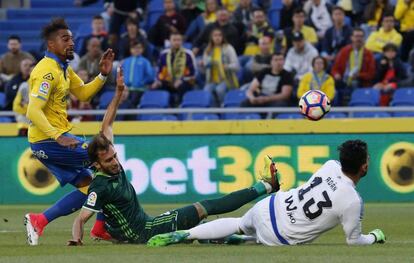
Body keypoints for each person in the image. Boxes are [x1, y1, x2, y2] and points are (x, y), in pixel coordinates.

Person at [66, 72, 280, 244]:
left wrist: (119, 92)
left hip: (145, 227)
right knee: (206, 207)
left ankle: (244, 240)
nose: (115, 162)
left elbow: (108, 124)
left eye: (114, 157)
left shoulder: (109, 157)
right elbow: (80, 219)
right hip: (148, 232)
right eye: (109, 160)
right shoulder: (99, 187)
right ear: (97, 165)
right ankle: (267, 186)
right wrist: (76, 240)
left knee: (197, 232)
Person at [148, 140, 387, 247]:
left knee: (239, 223)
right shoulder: (353, 202)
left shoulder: (330, 165)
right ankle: (244, 240)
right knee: (265, 239)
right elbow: (354, 241)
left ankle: (186, 234)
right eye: (367, 158)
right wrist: (375, 236)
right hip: (280, 235)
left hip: (272, 205)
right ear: (364, 167)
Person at [23, 18, 115, 246]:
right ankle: (100, 227)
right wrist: (57, 136)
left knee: (90, 188)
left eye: (72, 38)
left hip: (54, 140)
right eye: (65, 39)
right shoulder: (46, 72)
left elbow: (83, 94)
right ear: (51, 44)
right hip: (50, 141)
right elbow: (32, 110)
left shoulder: (63, 68)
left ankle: (39, 220)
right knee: (108, 161)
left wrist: (102, 76)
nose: (71, 43)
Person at [152, 33, 196, 106]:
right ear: (170, 41)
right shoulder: (164, 54)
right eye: (174, 40)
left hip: (185, 81)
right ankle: (164, 108)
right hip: (169, 81)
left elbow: (192, 73)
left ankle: (179, 106)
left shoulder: (188, 54)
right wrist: (159, 81)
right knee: (158, 86)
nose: (176, 42)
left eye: (178, 40)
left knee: (182, 86)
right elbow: (160, 71)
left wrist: (181, 80)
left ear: (182, 41)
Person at [201, 28, 240, 105]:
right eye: (215, 35)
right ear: (211, 38)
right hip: (211, 80)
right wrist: (202, 66)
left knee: (220, 90)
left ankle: (224, 106)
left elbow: (236, 66)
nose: (217, 37)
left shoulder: (228, 48)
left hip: (226, 78)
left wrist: (227, 66)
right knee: (206, 91)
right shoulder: (207, 50)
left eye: (219, 35)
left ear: (223, 37)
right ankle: (213, 109)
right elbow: (203, 71)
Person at [122, 41, 155, 107]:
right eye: (134, 48)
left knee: (131, 105)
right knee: (123, 104)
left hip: (139, 89)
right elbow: (121, 74)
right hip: (126, 90)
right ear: (130, 49)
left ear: (142, 49)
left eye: (139, 48)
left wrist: (142, 82)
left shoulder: (145, 61)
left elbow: (150, 75)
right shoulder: (125, 61)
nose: (136, 50)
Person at [12, 61, 35, 136]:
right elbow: (16, 106)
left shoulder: (47, 86)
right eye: (32, 71)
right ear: (29, 72)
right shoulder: (24, 86)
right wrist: (28, 110)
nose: (34, 73)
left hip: (44, 119)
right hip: (27, 118)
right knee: (21, 119)